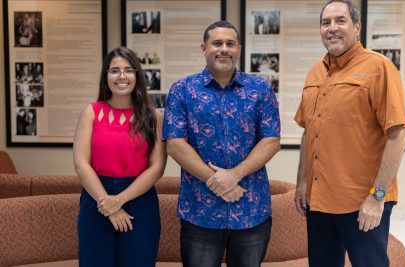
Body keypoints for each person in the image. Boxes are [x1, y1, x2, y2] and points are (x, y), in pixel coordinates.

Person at [293, 1, 405, 267]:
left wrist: (376, 197)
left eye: (340, 21)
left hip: (361, 202)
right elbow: (308, 131)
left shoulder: (379, 68)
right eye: (326, 23)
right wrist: (302, 183)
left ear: (357, 27)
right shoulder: (315, 71)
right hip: (319, 201)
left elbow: (398, 135)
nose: (332, 28)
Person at [162, 21, 280, 267]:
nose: (223, 49)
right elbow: (174, 144)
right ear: (204, 48)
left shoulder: (261, 89)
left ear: (239, 48)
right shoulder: (183, 90)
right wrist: (218, 183)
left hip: (251, 211)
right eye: (217, 43)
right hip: (200, 212)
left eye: (230, 44)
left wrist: (234, 175)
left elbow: (271, 140)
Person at [73, 46, 167, 267]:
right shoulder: (91, 112)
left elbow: (157, 168)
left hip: (139, 201)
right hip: (96, 200)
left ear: (137, 76)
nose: (122, 76)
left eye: (128, 70)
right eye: (114, 70)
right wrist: (108, 203)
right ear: (106, 77)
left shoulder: (154, 117)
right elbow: (81, 164)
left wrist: (118, 201)